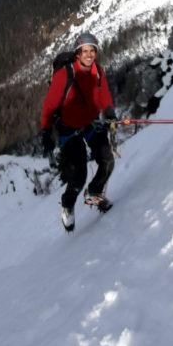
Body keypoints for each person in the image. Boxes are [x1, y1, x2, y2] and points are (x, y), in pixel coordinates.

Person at [40, 32, 117, 232]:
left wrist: (109, 111)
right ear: (77, 53)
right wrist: (46, 131)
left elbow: (104, 94)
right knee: (79, 175)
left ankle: (94, 192)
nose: (89, 55)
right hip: (68, 129)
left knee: (107, 161)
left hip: (90, 123)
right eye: (85, 51)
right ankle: (68, 204)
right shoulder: (64, 75)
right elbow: (49, 106)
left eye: (93, 50)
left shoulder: (98, 71)